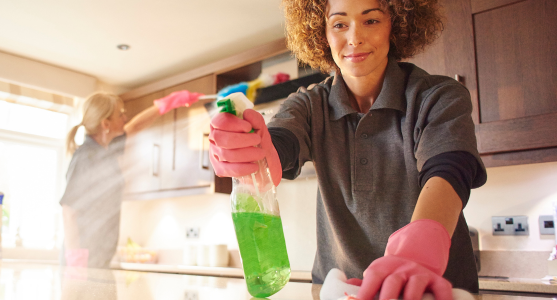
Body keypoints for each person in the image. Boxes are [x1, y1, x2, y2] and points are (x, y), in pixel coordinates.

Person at [208, 0, 487, 299]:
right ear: (322, 34)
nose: (354, 38)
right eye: (339, 24)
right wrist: (252, 152)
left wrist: (420, 247)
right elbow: (279, 145)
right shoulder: (309, 104)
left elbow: (449, 170)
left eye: (371, 21)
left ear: (396, 25)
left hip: (432, 289)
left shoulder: (437, 95)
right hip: (340, 291)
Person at [60, 90, 202, 269]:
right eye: (120, 114)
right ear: (106, 124)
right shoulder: (85, 158)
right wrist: (76, 264)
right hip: (81, 263)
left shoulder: (106, 150)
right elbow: (69, 212)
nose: (125, 118)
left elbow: (135, 127)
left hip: (99, 259)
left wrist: (166, 104)